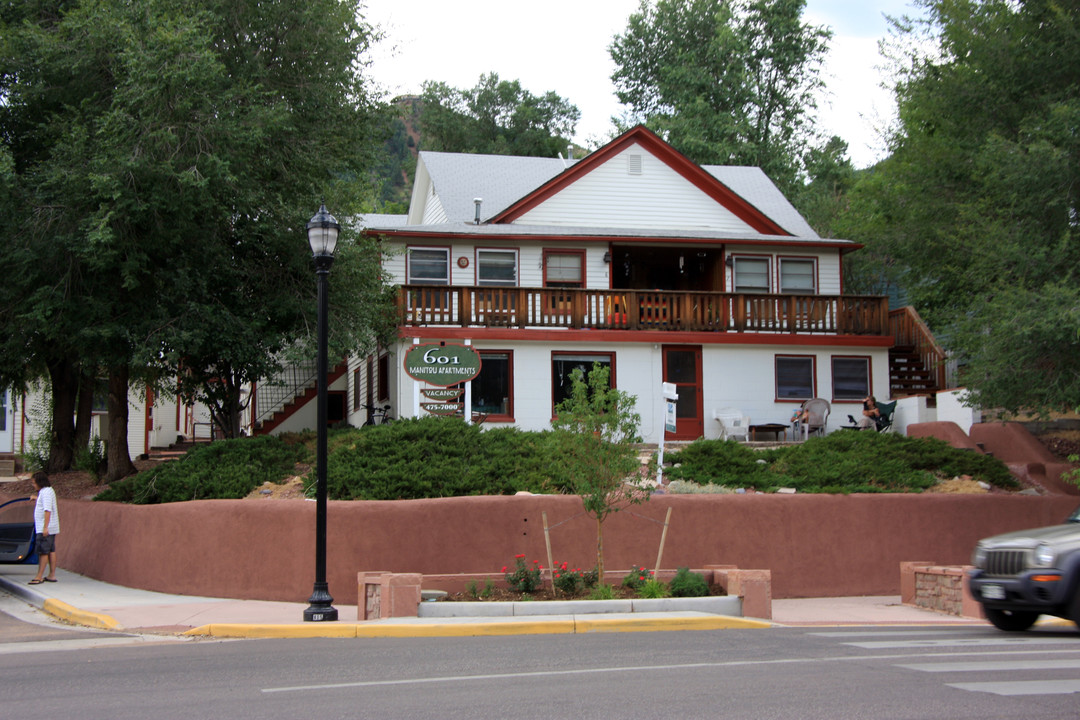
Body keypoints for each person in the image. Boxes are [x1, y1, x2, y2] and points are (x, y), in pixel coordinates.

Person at [29, 471, 59, 584]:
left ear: (39, 482)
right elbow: (46, 503)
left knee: (43, 551)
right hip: (52, 527)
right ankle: (52, 575)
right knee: (51, 550)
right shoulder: (48, 491)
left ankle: (39, 576)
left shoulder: (45, 493)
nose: (33, 485)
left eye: (34, 483)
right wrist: (36, 498)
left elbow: (47, 510)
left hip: (45, 527)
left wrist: (45, 527)